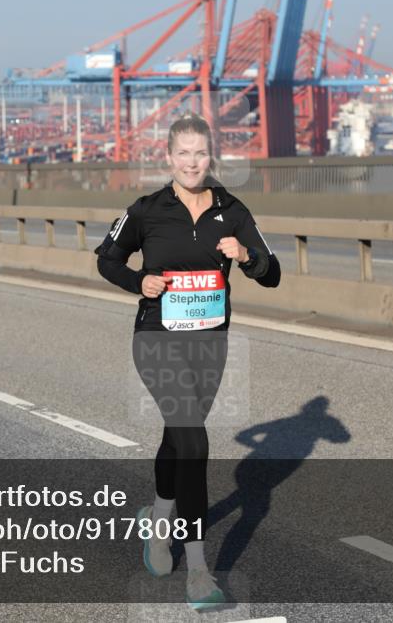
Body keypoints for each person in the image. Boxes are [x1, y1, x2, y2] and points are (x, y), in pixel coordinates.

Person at [94, 113, 281, 609]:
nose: (193, 161)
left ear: (211, 157)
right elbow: (107, 258)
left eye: (201, 153)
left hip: (209, 343)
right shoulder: (147, 210)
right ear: (170, 157)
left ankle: (159, 520)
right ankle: (199, 571)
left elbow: (273, 272)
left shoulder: (232, 210)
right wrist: (140, 283)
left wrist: (244, 255)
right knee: (194, 441)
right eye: (184, 153)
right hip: (156, 337)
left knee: (180, 436)